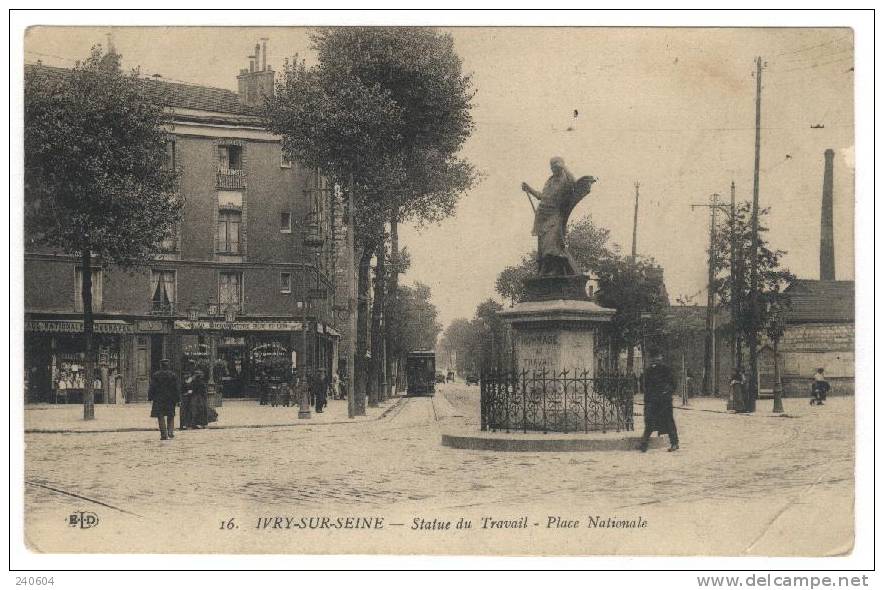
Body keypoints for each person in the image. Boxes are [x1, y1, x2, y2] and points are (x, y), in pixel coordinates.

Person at [521, 157, 596, 276]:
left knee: (552, 244)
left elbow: (574, 183)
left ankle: (554, 270)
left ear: (561, 166)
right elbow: (542, 196)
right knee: (543, 246)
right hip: (542, 218)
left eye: (555, 166)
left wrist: (565, 167)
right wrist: (529, 189)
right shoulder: (550, 181)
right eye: (551, 167)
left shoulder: (565, 179)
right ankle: (544, 270)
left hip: (555, 216)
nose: (553, 169)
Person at [638, 350, 679, 452]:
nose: (655, 360)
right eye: (654, 358)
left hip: (664, 400)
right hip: (652, 400)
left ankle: (674, 443)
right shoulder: (648, 371)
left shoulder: (666, 369)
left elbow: (673, 383)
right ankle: (644, 443)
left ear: (660, 358)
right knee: (649, 421)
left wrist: (667, 392)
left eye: (657, 358)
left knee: (668, 421)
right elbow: (645, 386)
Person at [148, 359, 179, 441]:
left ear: (161, 366)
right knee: (171, 415)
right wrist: (177, 399)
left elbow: (152, 387)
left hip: (159, 399)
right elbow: (176, 388)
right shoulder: (173, 375)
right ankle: (170, 432)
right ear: (168, 366)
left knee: (160, 416)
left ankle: (164, 434)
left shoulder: (156, 375)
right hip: (170, 399)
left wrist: (150, 397)